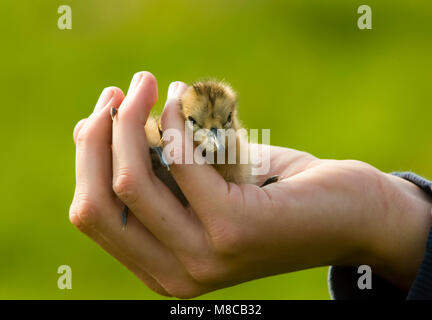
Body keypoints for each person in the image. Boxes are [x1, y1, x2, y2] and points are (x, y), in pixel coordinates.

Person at [70, 72, 432, 299]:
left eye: (223, 124)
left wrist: (378, 213)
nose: (214, 136)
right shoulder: (167, 142)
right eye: (199, 125)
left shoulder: (233, 154)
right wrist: (382, 214)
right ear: (182, 122)